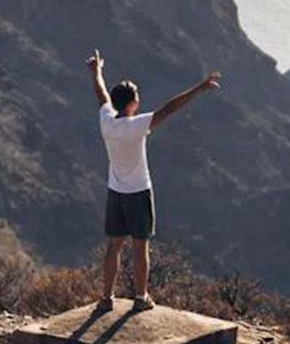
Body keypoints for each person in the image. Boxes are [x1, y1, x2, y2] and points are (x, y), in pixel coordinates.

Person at [85, 48, 221, 312]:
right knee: (139, 246)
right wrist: (199, 88)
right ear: (132, 103)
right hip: (138, 193)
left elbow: (101, 95)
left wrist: (97, 72)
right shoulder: (137, 126)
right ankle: (140, 297)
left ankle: (106, 297)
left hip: (115, 192)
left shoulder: (107, 123)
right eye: (137, 97)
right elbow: (169, 108)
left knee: (114, 246)